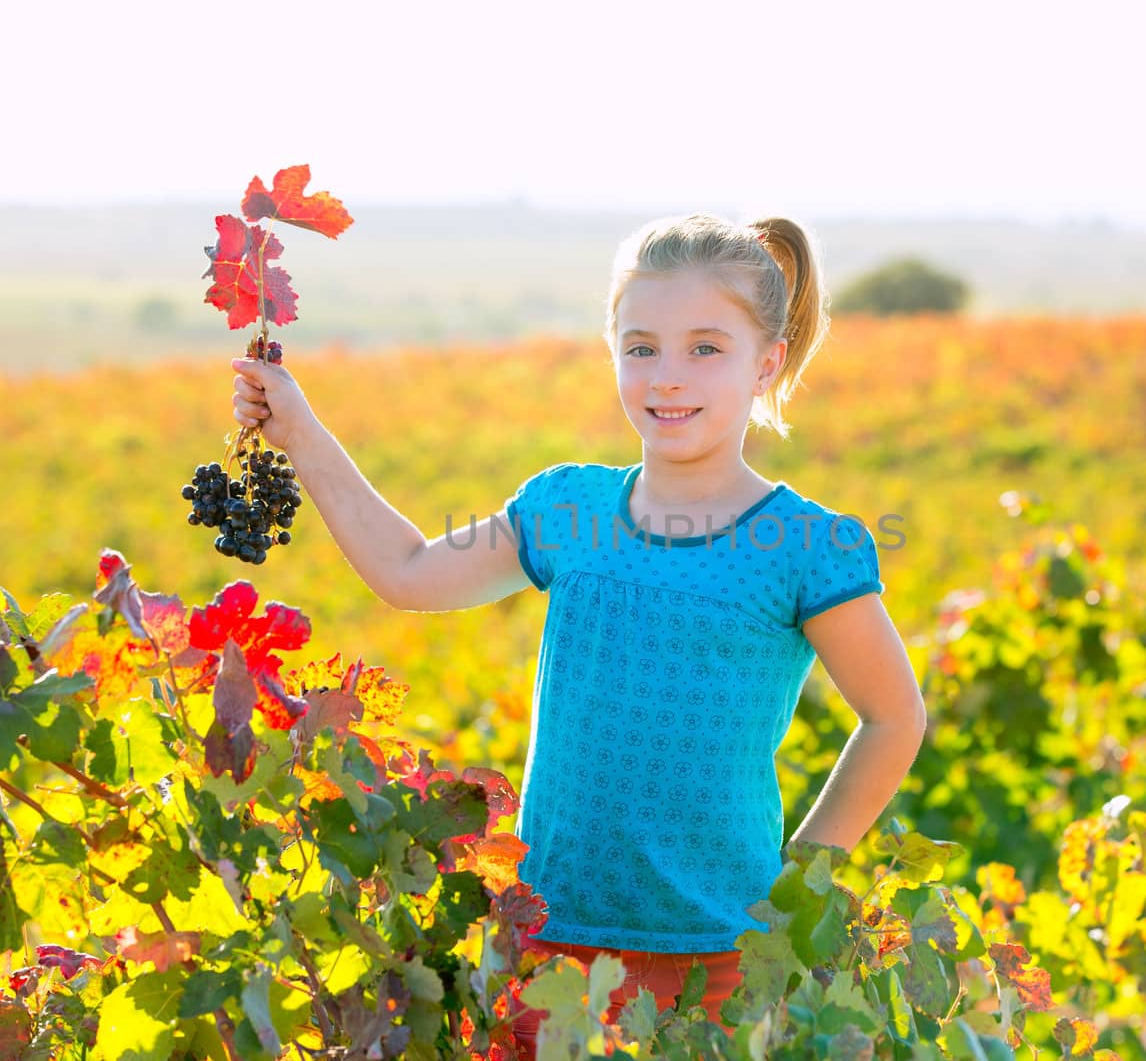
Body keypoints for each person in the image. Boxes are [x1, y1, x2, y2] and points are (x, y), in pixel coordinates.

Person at [229, 213, 928, 1057]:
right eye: (641, 347)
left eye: (706, 348)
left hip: (718, 954)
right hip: (548, 942)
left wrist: (799, 887)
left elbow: (894, 717)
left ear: (767, 362)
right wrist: (298, 429)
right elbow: (408, 571)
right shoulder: (569, 510)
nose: (668, 376)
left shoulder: (809, 545)